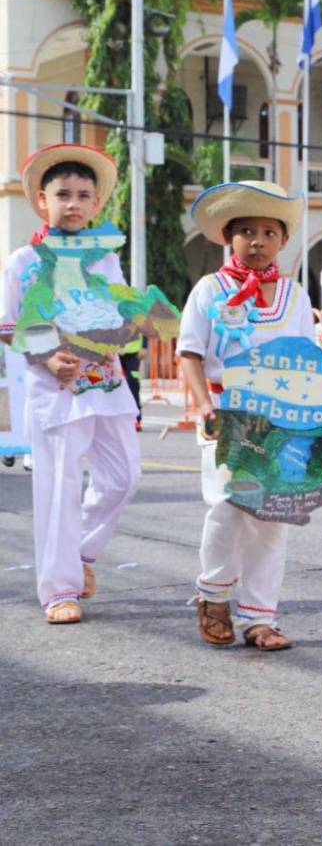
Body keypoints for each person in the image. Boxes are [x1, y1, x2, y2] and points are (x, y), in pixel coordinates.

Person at [0, 144, 140, 624]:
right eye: (64, 194)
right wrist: (46, 357)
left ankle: (78, 555)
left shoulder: (104, 258)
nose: (74, 203)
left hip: (106, 384)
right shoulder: (24, 260)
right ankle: (60, 591)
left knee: (123, 479)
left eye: (84, 195)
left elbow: (117, 311)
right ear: (43, 200)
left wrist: (128, 327)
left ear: (96, 204)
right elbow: (8, 324)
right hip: (55, 389)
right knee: (58, 487)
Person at [177, 181, 312, 652]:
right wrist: (204, 405)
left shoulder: (295, 296)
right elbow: (189, 353)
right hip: (226, 411)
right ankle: (213, 594)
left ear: (283, 240)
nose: (258, 241)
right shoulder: (209, 290)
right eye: (247, 231)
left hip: (280, 418)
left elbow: (307, 358)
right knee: (228, 507)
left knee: (272, 515)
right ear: (227, 237)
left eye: (269, 232)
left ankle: (260, 616)